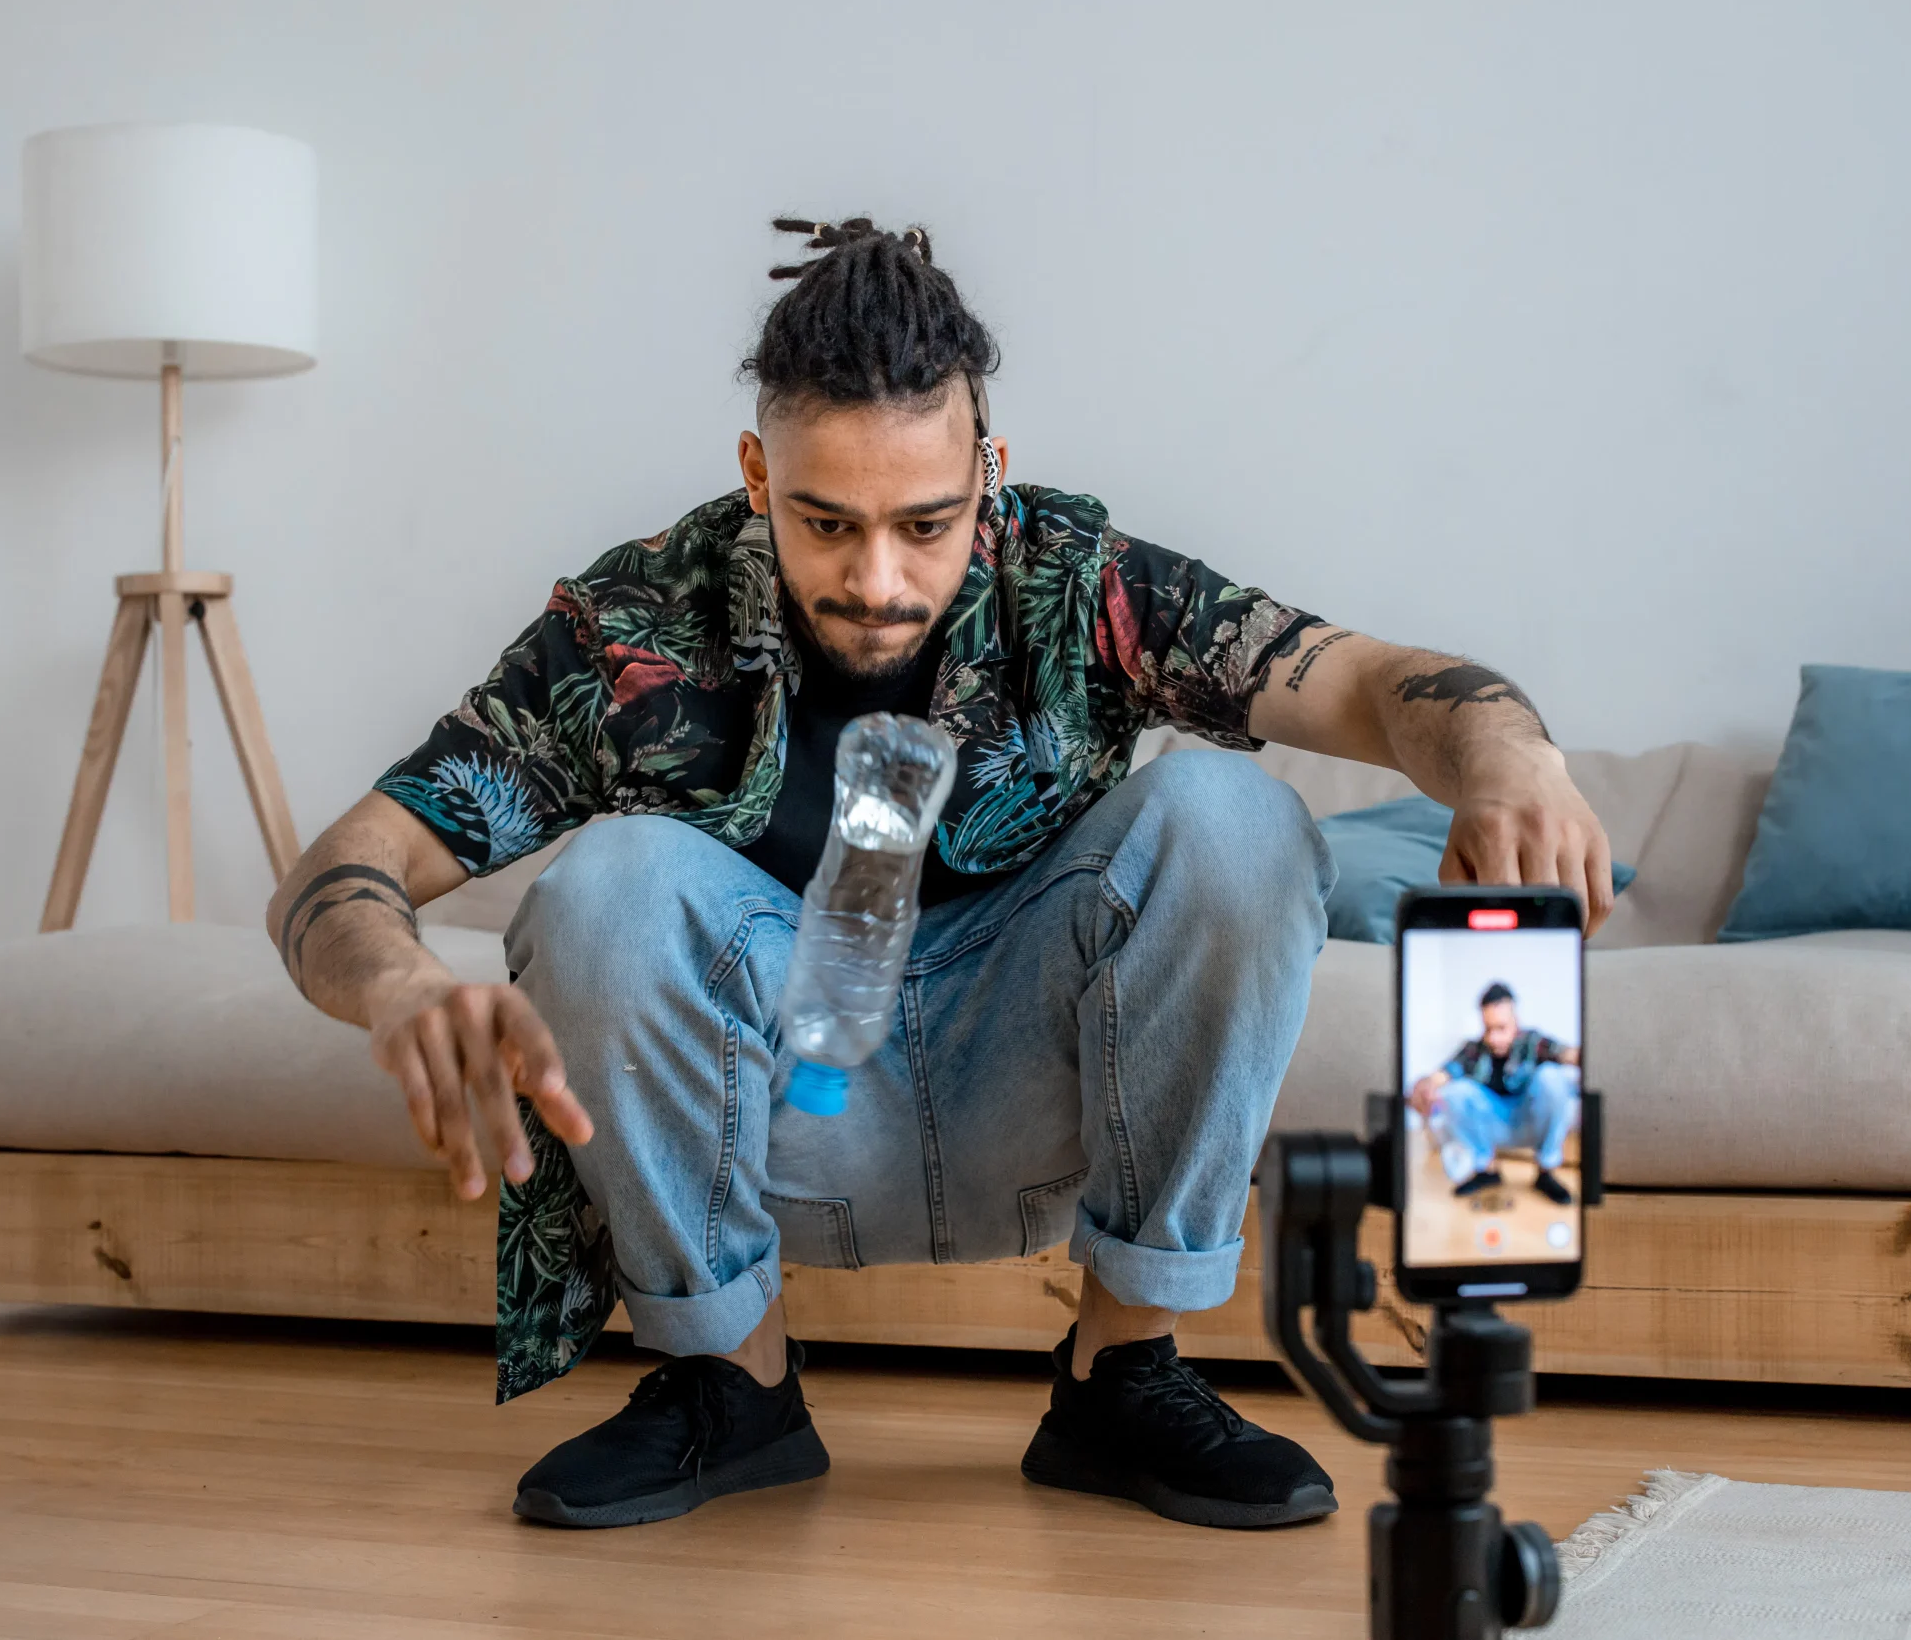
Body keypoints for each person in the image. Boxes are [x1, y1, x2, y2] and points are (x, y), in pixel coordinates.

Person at [267, 215, 1614, 1532]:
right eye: (824, 522)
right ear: (754, 472)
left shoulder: (1080, 581)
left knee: (1237, 814)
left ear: (992, 467)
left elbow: (1378, 682)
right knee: (605, 880)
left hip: (1033, 1080)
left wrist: (1515, 763)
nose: (878, 576)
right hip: (777, 1106)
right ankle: (731, 1390)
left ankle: (1120, 1373)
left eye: (927, 521)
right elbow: (347, 864)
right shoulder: (634, 626)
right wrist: (396, 985)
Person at [1409, 982, 1583, 1204]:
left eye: (1501, 1028)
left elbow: (1567, 1053)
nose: (1493, 1038)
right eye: (1488, 1028)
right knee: (1454, 1092)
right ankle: (1487, 1171)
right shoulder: (1473, 1049)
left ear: (1516, 1022)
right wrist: (1424, 1087)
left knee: (1552, 1076)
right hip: (1494, 1126)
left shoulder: (1533, 1041)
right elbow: (1441, 1076)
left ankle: (1546, 1171)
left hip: (1530, 1121)